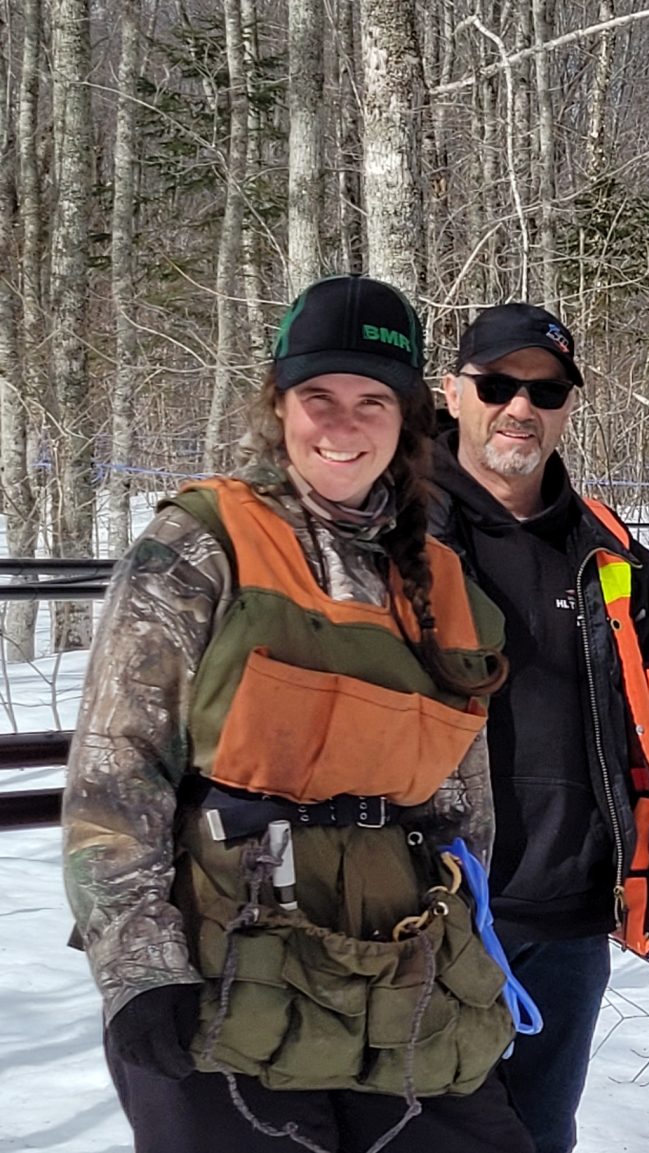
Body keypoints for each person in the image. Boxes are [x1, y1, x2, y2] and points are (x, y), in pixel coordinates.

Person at [62, 275, 534, 1151]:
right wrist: (138, 969)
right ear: (279, 407)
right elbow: (117, 768)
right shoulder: (202, 544)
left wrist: (474, 950)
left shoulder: (439, 579)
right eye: (318, 397)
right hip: (231, 970)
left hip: (408, 981)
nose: (343, 424)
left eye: (371, 400)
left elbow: (465, 805)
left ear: (406, 421)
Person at [429, 303, 649, 1153]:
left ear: (567, 407)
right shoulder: (394, 532)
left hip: (567, 918)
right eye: (498, 384)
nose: (522, 406)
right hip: (425, 911)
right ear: (453, 393)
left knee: (540, 1137)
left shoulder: (609, 551)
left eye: (545, 390)